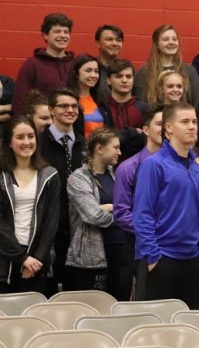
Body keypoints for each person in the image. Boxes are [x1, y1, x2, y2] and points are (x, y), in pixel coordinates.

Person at [133, 102, 199, 307]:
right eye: (184, 122)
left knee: (189, 327)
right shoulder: (153, 165)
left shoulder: (196, 167)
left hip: (193, 257)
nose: (192, 126)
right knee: (159, 328)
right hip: (163, 257)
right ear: (169, 128)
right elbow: (142, 213)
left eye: (194, 121)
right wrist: (153, 257)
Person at [0, 117, 61, 294]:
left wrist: (35, 260)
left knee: (34, 317)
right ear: (9, 143)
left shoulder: (50, 175)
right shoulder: (2, 175)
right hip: (5, 258)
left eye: (31, 136)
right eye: (20, 137)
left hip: (37, 261)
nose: (27, 142)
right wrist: (21, 258)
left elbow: (52, 221)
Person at [112, 106, 164, 300]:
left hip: (175, 247)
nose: (164, 129)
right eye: (158, 124)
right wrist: (154, 229)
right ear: (146, 129)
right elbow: (121, 213)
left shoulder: (182, 165)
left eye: (167, 124)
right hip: (140, 246)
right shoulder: (128, 168)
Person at [38, 88, 84, 291]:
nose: (70, 110)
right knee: (47, 286)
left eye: (74, 106)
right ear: (51, 110)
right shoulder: (38, 143)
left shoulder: (85, 145)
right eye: (64, 106)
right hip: (47, 223)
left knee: (74, 289)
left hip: (78, 225)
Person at [66, 128, 122, 292]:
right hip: (91, 257)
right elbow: (93, 215)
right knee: (94, 308)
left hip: (120, 252)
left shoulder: (116, 175)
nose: (120, 152)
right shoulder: (78, 178)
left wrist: (109, 208)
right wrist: (120, 215)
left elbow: (130, 207)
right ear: (99, 149)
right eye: (116, 147)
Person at [13, 13, 76, 114]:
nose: (63, 35)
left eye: (66, 32)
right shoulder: (31, 65)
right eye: (57, 31)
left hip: (71, 125)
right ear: (45, 35)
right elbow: (20, 101)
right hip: (42, 125)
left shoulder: (75, 64)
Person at [134, 25, 199, 107]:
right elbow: (140, 105)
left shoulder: (189, 71)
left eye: (174, 39)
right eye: (166, 39)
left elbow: (198, 103)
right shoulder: (145, 72)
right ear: (157, 44)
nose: (171, 42)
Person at [103, 59, 147, 158]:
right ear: (109, 80)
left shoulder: (144, 109)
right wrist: (131, 133)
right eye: (119, 76)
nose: (124, 80)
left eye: (128, 76)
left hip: (138, 162)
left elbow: (148, 139)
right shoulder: (101, 108)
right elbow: (103, 140)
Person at [69, 54, 109, 138]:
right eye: (88, 71)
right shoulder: (68, 101)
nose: (93, 75)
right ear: (75, 73)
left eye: (96, 71)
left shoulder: (101, 100)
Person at [93, 24, 125, 102]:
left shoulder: (126, 69)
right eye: (109, 39)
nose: (114, 43)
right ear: (98, 43)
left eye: (118, 40)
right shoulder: (91, 69)